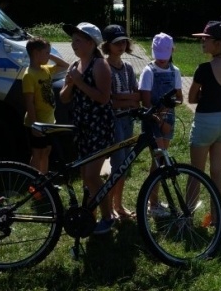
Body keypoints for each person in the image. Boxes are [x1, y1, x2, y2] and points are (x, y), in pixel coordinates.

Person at [58, 22, 116, 235]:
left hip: (98, 126)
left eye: (78, 40)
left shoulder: (100, 65)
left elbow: (103, 98)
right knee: (86, 175)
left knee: (92, 176)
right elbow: (64, 98)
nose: (73, 44)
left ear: (91, 43)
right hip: (82, 126)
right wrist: (71, 84)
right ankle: (90, 217)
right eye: (72, 40)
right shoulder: (75, 65)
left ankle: (108, 218)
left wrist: (80, 82)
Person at [188, 21, 221, 227]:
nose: (202, 41)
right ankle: (217, 218)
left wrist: (205, 95)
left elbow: (192, 98)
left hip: (205, 122)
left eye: (205, 38)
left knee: (195, 173)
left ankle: (188, 217)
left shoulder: (204, 68)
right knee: (217, 173)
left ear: (217, 43)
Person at [138, 32, 183, 217]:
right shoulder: (148, 71)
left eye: (165, 56)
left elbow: (179, 98)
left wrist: (167, 113)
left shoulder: (175, 71)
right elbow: (146, 102)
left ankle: (154, 200)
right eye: (159, 57)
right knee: (157, 162)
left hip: (168, 121)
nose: (162, 61)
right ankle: (153, 202)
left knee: (162, 161)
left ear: (172, 51)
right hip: (154, 121)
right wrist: (161, 118)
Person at [102, 24, 140, 220]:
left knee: (125, 164)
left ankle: (118, 204)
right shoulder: (105, 67)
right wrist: (127, 98)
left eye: (124, 42)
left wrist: (123, 98)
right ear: (107, 45)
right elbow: (110, 99)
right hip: (114, 121)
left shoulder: (128, 68)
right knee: (117, 165)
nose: (121, 46)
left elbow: (137, 95)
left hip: (127, 120)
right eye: (117, 43)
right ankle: (108, 207)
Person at [22, 36, 69, 174]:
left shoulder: (45, 69)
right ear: (36, 53)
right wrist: (34, 123)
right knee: (37, 153)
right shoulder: (29, 75)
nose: (49, 56)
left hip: (49, 121)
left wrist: (49, 54)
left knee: (46, 151)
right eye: (46, 52)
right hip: (37, 122)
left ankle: (44, 180)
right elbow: (29, 102)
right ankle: (34, 183)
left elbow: (65, 65)